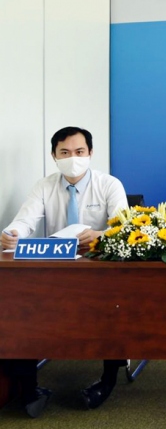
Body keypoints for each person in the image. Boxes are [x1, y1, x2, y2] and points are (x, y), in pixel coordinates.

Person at [0, 126, 129, 417]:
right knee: (22, 306)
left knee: (116, 307)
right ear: (54, 156)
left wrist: (100, 235)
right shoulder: (44, 186)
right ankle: (29, 387)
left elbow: (124, 228)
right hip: (57, 270)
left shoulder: (109, 184)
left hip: (101, 271)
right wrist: (12, 234)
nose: (73, 158)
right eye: (65, 153)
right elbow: (24, 221)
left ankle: (108, 379)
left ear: (90, 153)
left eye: (79, 151)